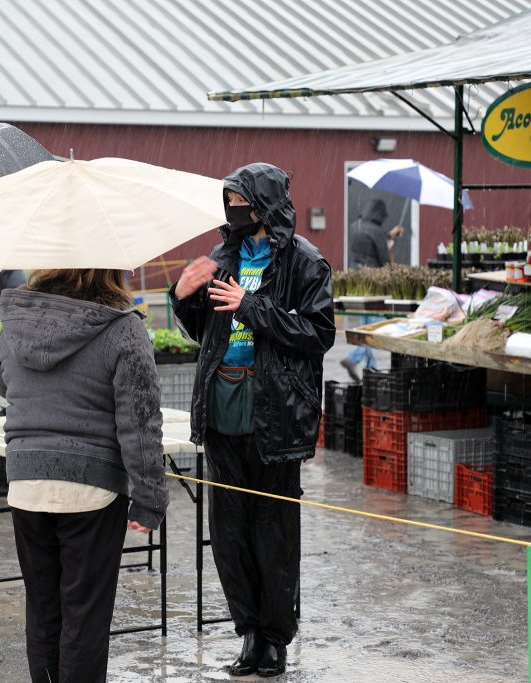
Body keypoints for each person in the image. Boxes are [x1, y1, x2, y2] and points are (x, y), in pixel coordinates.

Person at [169, 162, 335, 677]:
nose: (231, 208)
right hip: (222, 408)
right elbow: (207, 333)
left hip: (277, 415)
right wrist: (183, 298)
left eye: (239, 199)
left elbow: (317, 334)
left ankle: (275, 638)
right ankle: (246, 632)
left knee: (274, 530)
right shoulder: (223, 256)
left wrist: (253, 306)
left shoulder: (307, 262)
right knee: (230, 529)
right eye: (228, 199)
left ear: (263, 204)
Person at [0, 268, 169, 683]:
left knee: (42, 611)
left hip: (26, 484)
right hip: (92, 491)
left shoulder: (15, 321)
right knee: (84, 620)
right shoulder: (123, 329)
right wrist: (150, 498)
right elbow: (141, 422)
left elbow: (2, 381)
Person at [342, 199, 404, 381]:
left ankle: (372, 369)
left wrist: (389, 236)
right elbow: (383, 259)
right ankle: (354, 359)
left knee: (367, 324)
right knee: (376, 326)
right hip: (374, 284)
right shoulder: (377, 231)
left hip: (357, 281)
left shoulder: (355, 225)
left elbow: (371, 238)